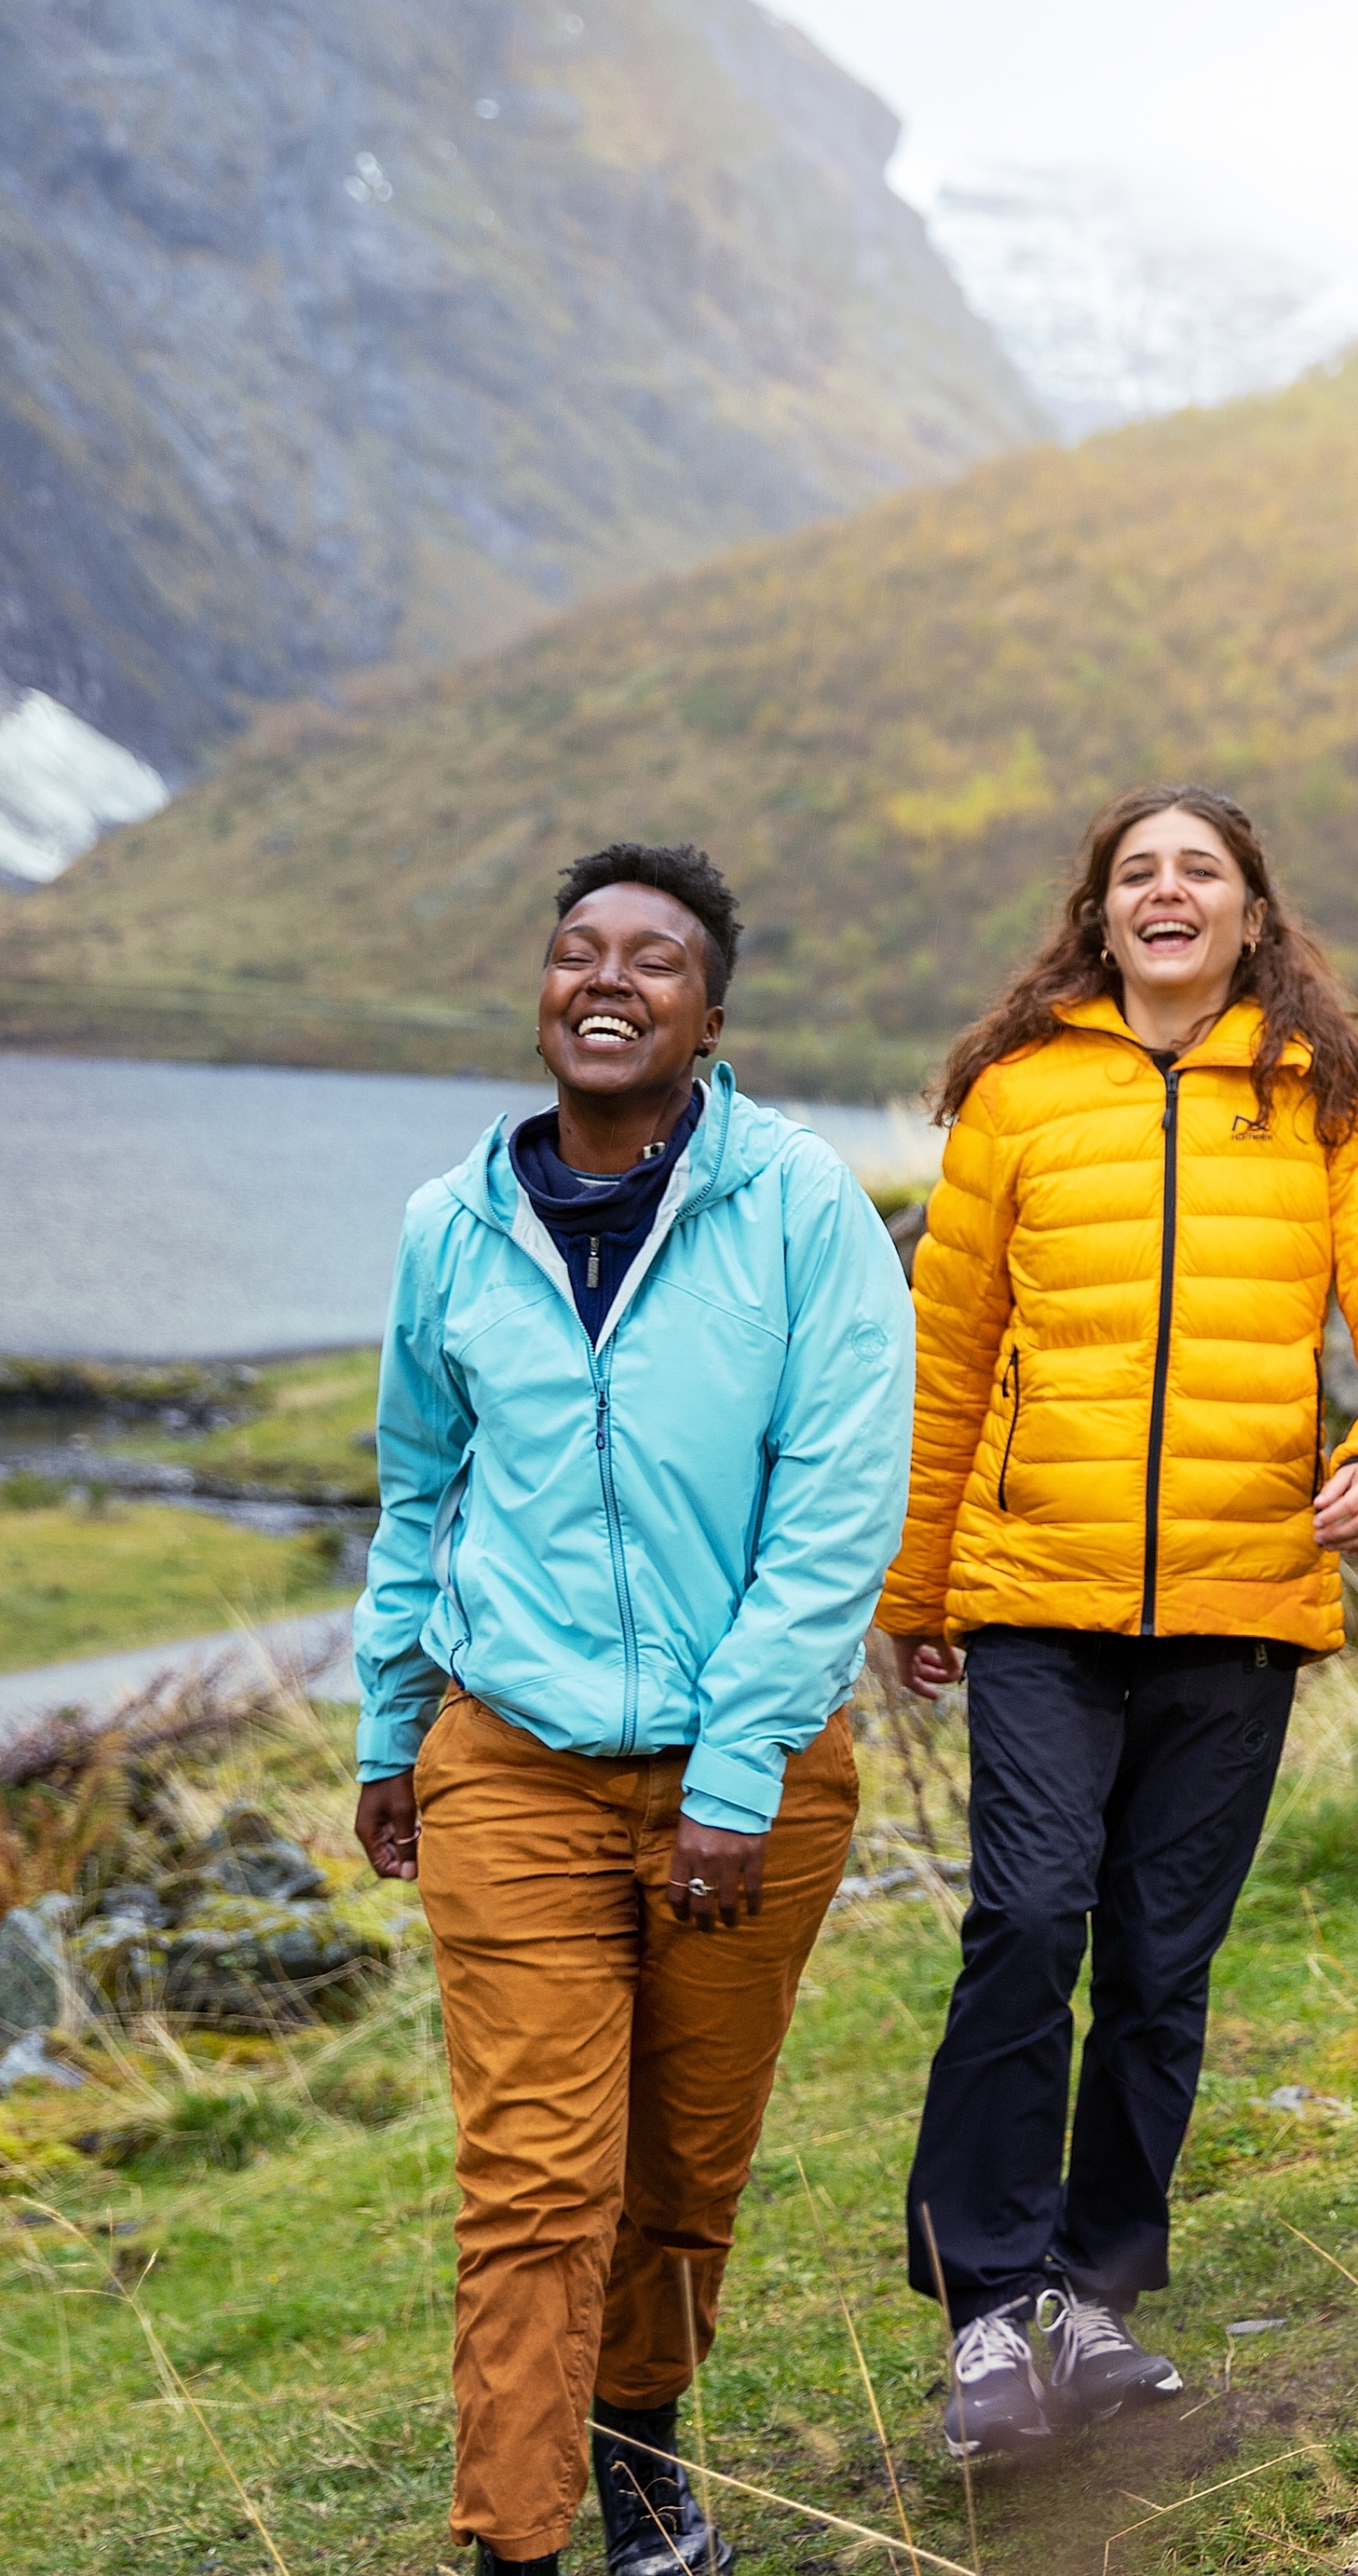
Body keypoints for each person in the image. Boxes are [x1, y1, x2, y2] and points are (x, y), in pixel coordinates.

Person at [881, 784, 1358, 2459]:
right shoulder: (1017, 1095)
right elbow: (945, 1359)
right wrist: (915, 1582)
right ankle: (991, 2312)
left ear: (1249, 913)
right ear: (1099, 913)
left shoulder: (1334, 1100)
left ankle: (1095, 2292)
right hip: (1037, 1597)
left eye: (1197, 871)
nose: (1166, 891)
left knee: (1159, 1964)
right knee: (1023, 1920)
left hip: (1239, 1597)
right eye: (1136, 871)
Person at [357, 840, 914, 2576]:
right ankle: (516, 2540)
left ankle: (639, 2441)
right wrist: (393, 1730)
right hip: (507, 1764)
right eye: (575, 950)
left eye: (652, 958)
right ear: (542, 992)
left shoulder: (803, 1206)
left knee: (680, 2176)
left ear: (711, 1013)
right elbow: (413, 1496)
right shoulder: (447, 1230)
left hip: (748, 1783)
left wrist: (736, 1770)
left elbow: (836, 1510)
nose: (606, 978)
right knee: (534, 2178)